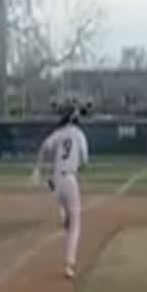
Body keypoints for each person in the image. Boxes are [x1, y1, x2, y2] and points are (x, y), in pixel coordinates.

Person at [32, 101, 88, 279]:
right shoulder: (78, 134)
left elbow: (44, 147)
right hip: (70, 179)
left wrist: (38, 169)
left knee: (67, 217)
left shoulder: (58, 133)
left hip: (57, 180)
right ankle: (69, 264)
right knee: (76, 224)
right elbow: (85, 160)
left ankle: (63, 214)